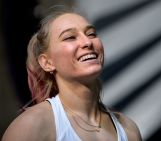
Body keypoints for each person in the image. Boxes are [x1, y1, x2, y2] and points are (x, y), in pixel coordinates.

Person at [2, 6, 142, 141]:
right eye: (70, 37)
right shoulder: (32, 125)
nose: (87, 42)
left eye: (91, 34)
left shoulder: (129, 130)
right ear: (47, 62)